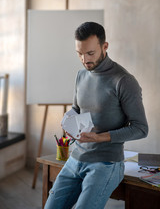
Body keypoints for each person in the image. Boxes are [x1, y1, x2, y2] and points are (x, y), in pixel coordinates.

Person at [44, 22, 148, 209]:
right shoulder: (81, 75)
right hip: (76, 158)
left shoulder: (124, 81)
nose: (84, 60)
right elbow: (77, 108)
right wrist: (68, 121)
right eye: (79, 54)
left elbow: (141, 128)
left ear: (105, 46)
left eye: (90, 53)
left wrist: (99, 137)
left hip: (106, 163)